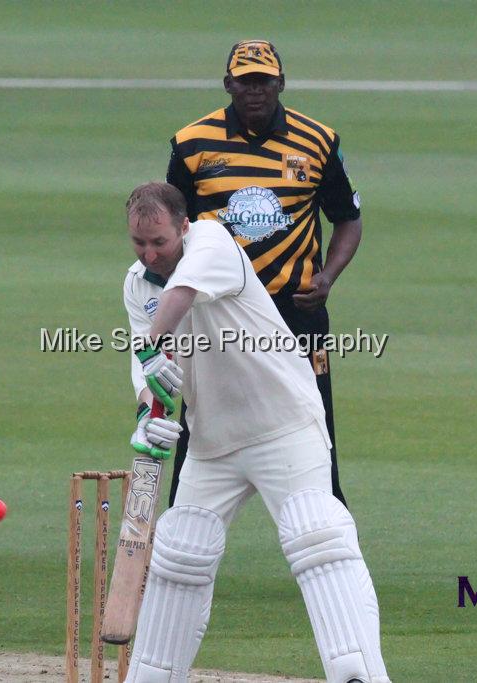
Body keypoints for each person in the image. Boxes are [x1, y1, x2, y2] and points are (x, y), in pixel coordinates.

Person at [121, 182, 389, 682]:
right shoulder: (137, 285)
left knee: (317, 536)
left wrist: (151, 346)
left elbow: (178, 298)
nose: (151, 254)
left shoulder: (212, 243)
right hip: (213, 441)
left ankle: (358, 675)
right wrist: (148, 414)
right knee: (181, 554)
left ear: (183, 226)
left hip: (283, 423)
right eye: (140, 244)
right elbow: (148, 370)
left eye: (160, 242)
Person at [166, 39, 363, 508]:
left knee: (316, 422)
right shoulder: (192, 143)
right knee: (199, 420)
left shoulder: (317, 141)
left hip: (295, 311)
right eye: (246, 81)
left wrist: (328, 278)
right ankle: (175, 529)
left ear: (280, 82)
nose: (255, 91)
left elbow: (347, 219)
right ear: (229, 83)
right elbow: (174, 230)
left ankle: (331, 540)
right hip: (219, 315)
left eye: (264, 81)